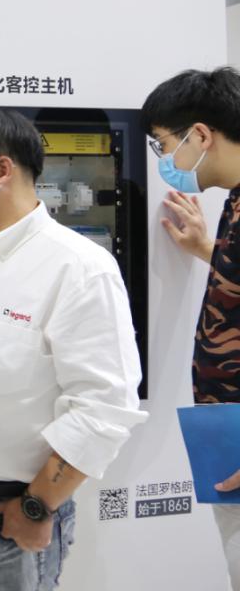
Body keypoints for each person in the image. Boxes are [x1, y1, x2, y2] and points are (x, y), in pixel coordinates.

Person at [0, 109, 148, 591]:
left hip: (6, 513)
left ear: (1, 168)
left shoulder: (78, 267)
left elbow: (104, 406)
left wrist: (38, 505)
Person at [141, 66, 240, 591]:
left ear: (200, 135)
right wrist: (209, 250)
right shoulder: (235, 200)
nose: (165, 160)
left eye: (163, 144)